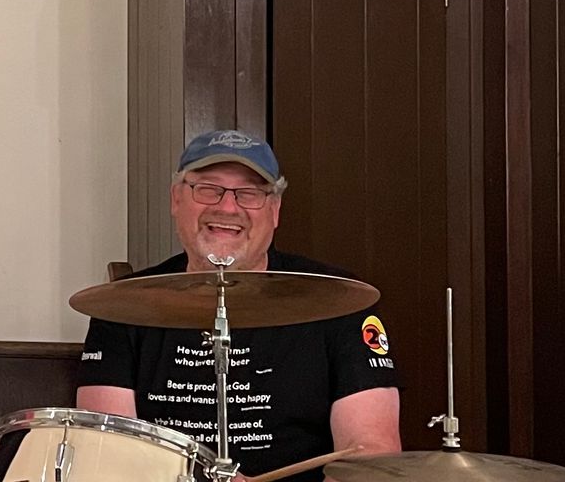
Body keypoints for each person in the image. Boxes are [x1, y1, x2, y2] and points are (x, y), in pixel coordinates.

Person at [76, 130, 401, 479]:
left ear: (275, 210)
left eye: (249, 193)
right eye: (208, 188)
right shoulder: (121, 306)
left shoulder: (340, 301)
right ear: (176, 199)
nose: (227, 207)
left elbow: (371, 455)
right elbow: (106, 454)